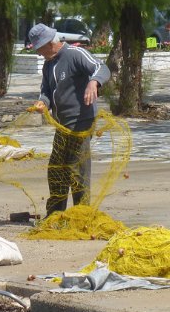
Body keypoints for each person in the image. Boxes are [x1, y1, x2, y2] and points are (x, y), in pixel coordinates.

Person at [28, 23, 111, 217]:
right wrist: (42, 103)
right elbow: (46, 91)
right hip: (62, 125)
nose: (40, 53)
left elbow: (101, 67)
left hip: (82, 121)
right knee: (56, 167)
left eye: (39, 48)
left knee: (77, 169)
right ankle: (56, 215)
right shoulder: (48, 65)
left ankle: (81, 215)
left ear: (49, 42)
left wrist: (94, 82)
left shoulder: (75, 54)